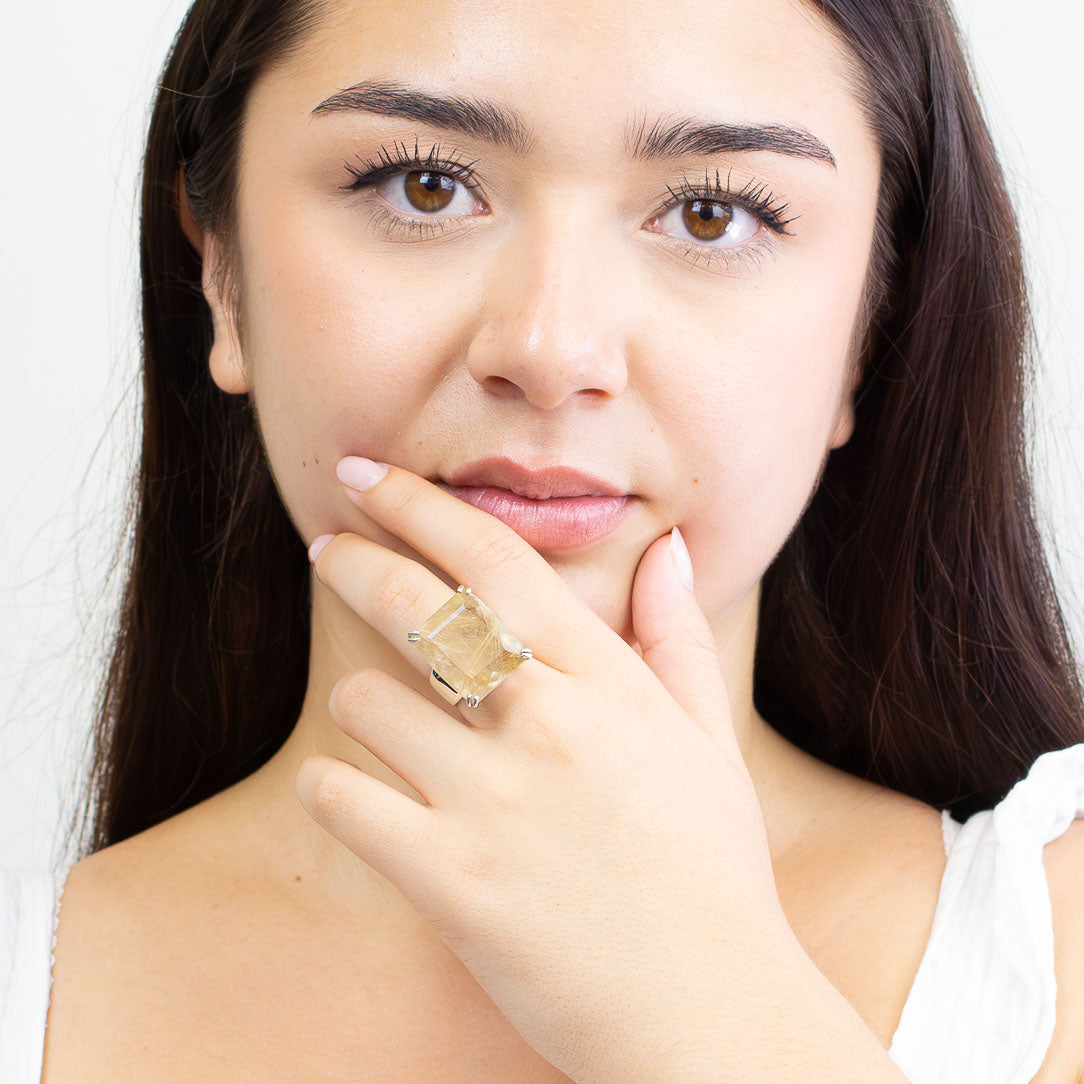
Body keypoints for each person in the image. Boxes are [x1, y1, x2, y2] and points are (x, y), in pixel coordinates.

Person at [2, 0, 1082, 1078]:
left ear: (872, 324)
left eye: (712, 214)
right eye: (423, 186)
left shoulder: (1048, 947)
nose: (551, 351)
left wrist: (710, 1003)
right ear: (223, 277)